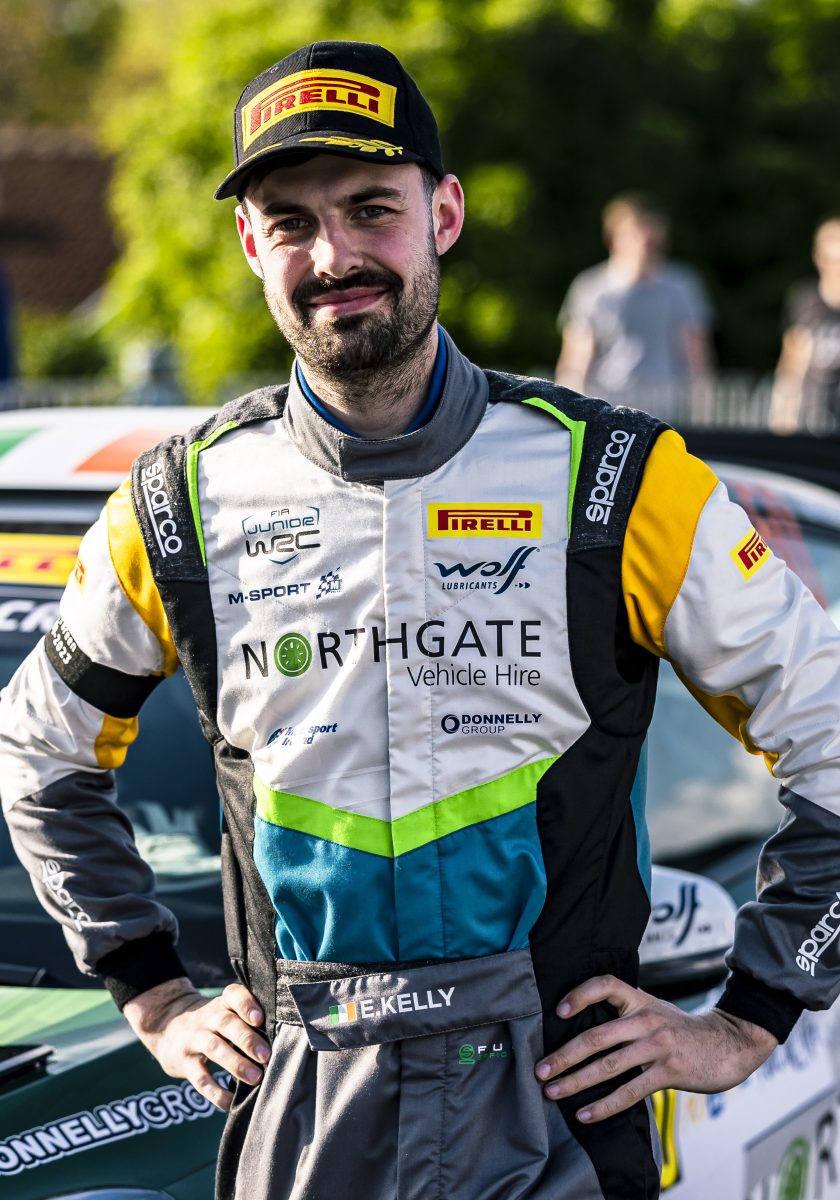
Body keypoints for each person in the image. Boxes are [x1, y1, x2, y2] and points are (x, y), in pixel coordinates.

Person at [1, 39, 839, 1200]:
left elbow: (829, 728)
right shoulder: (178, 506)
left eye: (370, 208)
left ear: (443, 214)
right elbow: (36, 754)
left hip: (554, 1115)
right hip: (298, 1109)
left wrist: (753, 1014)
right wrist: (151, 993)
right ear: (249, 245)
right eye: (290, 222)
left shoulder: (615, 481)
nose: (333, 256)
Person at [555, 192, 713, 423]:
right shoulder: (590, 288)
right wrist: (568, 415)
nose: (645, 239)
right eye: (636, 231)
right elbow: (576, 362)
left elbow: (697, 359)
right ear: (613, 236)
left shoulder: (682, 288)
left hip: (665, 414)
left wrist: (702, 415)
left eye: (652, 230)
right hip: (607, 413)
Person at [770, 216, 840, 434]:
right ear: (818, 257)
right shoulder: (804, 300)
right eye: (830, 259)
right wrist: (782, 413)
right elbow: (793, 362)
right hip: (813, 414)